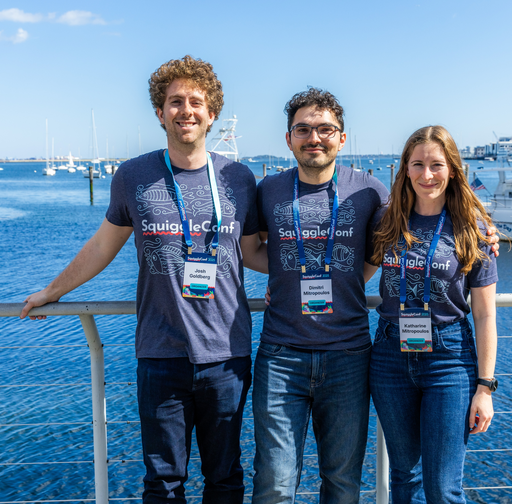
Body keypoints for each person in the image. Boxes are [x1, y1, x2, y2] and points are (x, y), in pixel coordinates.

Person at [20, 55, 267, 504]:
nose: (186, 110)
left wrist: (302, 278)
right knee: (163, 483)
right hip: (160, 353)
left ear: (212, 113)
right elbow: (102, 245)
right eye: (175, 102)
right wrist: (53, 291)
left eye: (196, 102)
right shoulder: (134, 175)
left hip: (226, 356)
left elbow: (251, 251)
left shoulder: (238, 178)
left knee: (225, 479)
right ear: (160, 112)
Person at [253, 88, 390, 504]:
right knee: (275, 486)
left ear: (342, 138)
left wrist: (481, 228)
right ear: (289, 138)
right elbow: (250, 249)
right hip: (281, 356)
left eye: (325, 129)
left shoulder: (370, 190)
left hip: (348, 356)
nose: (315, 137)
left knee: (343, 484)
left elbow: (386, 247)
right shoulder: (269, 190)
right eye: (303, 129)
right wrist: (287, 270)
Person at [368, 125, 498, 504]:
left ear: (453, 170)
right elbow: (350, 269)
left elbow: (486, 316)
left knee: (443, 488)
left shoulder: (474, 231)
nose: (427, 175)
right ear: (405, 169)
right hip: (390, 355)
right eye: (418, 164)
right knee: (404, 479)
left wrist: (485, 387)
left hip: (449, 359)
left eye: (437, 165)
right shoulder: (386, 221)